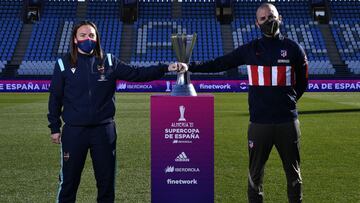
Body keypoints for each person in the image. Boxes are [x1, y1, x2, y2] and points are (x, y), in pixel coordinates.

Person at [178, 3, 308, 203]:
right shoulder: (250, 49)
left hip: (287, 123)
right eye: (263, 18)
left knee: (294, 177)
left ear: (279, 17)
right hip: (259, 124)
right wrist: (191, 66)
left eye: (271, 16)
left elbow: (302, 83)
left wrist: (287, 103)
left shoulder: (293, 49)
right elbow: (220, 63)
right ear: (257, 23)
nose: (268, 21)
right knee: (255, 178)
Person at [47, 20, 182, 203]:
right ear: (75, 39)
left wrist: (166, 68)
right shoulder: (63, 64)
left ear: (97, 38)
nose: (88, 39)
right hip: (74, 131)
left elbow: (137, 74)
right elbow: (55, 97)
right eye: (83, 35)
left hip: (104, 131)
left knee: (106, 182)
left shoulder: (109, 61)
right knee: (69, 182)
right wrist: (55, 127)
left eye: (92, 35)